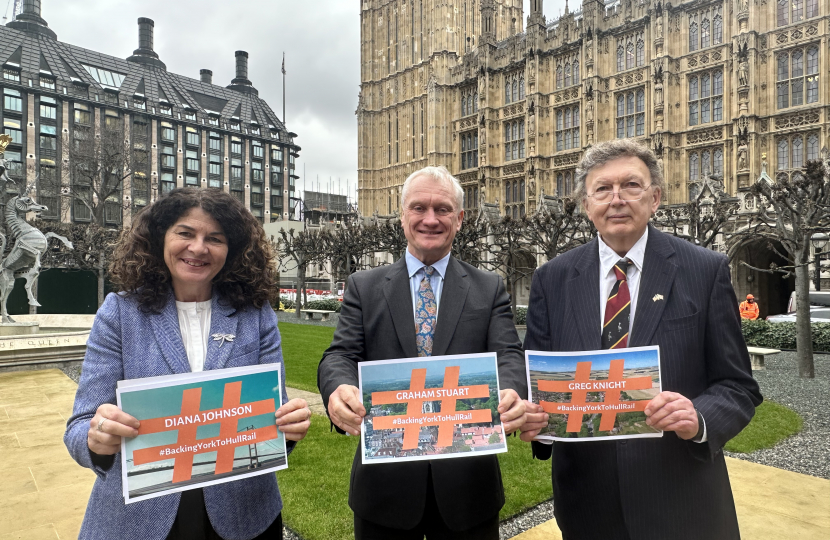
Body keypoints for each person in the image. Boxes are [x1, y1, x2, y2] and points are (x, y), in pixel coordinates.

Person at [520, 140, 762, 540]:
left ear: (655, 198)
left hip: (682, 501)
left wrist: (698, 418)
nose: (616, 200)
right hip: (587, 505)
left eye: (631, 186)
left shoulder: (705, 269)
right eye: (602, 189)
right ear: (586, 204)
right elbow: (538, 384)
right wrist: (535, 417)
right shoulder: (552, 279)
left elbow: (738, 386)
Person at [64, 187, 311, 540]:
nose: (198, 248)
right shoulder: (120, 314)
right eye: (185, 233)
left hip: (243, 514)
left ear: (233, 249)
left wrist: (288, 428)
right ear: (159, 238)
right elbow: (79, 426)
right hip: (139, 518)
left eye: (215, 238)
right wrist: (96, 438)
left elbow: (274, 416)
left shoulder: (256, 316)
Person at [318, 166, 536, 540]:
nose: (430, 219)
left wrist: (514, 389)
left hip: (468, 488)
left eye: (443, 209)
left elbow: (509, 356)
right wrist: (337, 389)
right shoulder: (364, 286)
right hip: (385, 487)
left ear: (460, 218)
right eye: (419, 208)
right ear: (403, 216)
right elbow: (339, 355)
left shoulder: (488, 287)